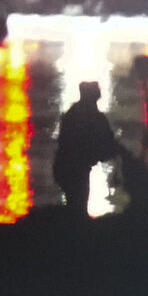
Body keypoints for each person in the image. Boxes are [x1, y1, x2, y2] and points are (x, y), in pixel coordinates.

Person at [53, 81, 121, 215]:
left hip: (69, 167)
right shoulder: (91, 117)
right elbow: (108, 142)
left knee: (76, 203)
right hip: (73, 167)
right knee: (78, 203)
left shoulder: (73, 114)